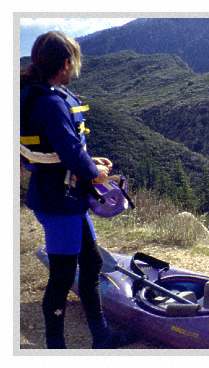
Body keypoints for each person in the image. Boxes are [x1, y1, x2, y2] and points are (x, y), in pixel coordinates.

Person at [20, 31, 128, 349]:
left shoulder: (35, 95)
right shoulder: (51, 103)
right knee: (62, 277)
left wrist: (89, 162)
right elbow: (69, 152)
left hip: (61, 195)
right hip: (59, 201)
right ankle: (56, 348)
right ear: (66, 63)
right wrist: (97, 172)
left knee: (91, 263)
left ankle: (102, 337)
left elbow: (57, 150)